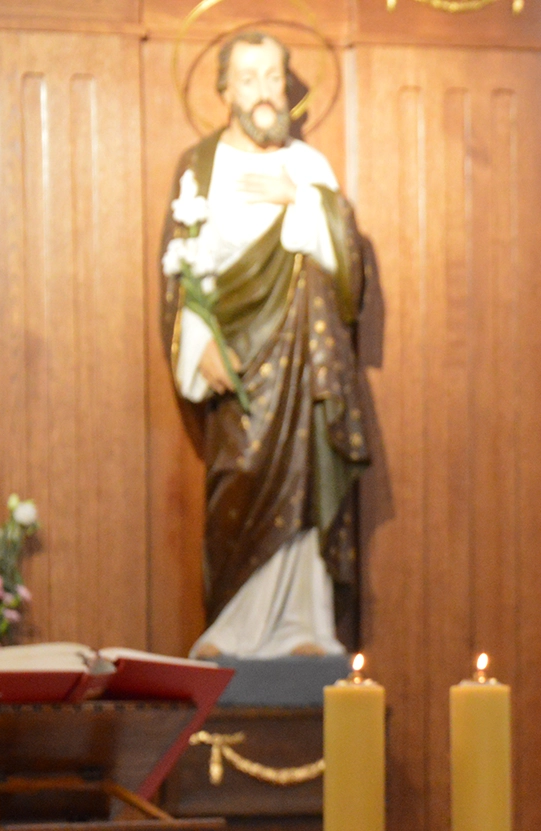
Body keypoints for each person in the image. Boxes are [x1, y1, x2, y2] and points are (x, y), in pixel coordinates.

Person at [159, 30, 369, 659]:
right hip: (234, 359)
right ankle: (232, 629)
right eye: (248, 79)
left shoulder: (307, 167)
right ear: (225, 90)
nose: (263, 92)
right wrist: (197, 342)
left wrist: (300, 198)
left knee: (304, 475)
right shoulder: (199, 166)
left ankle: (305, 627)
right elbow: (180, 271)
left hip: (301, 360)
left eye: (273, 77)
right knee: (242, 471)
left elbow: (346, 269)